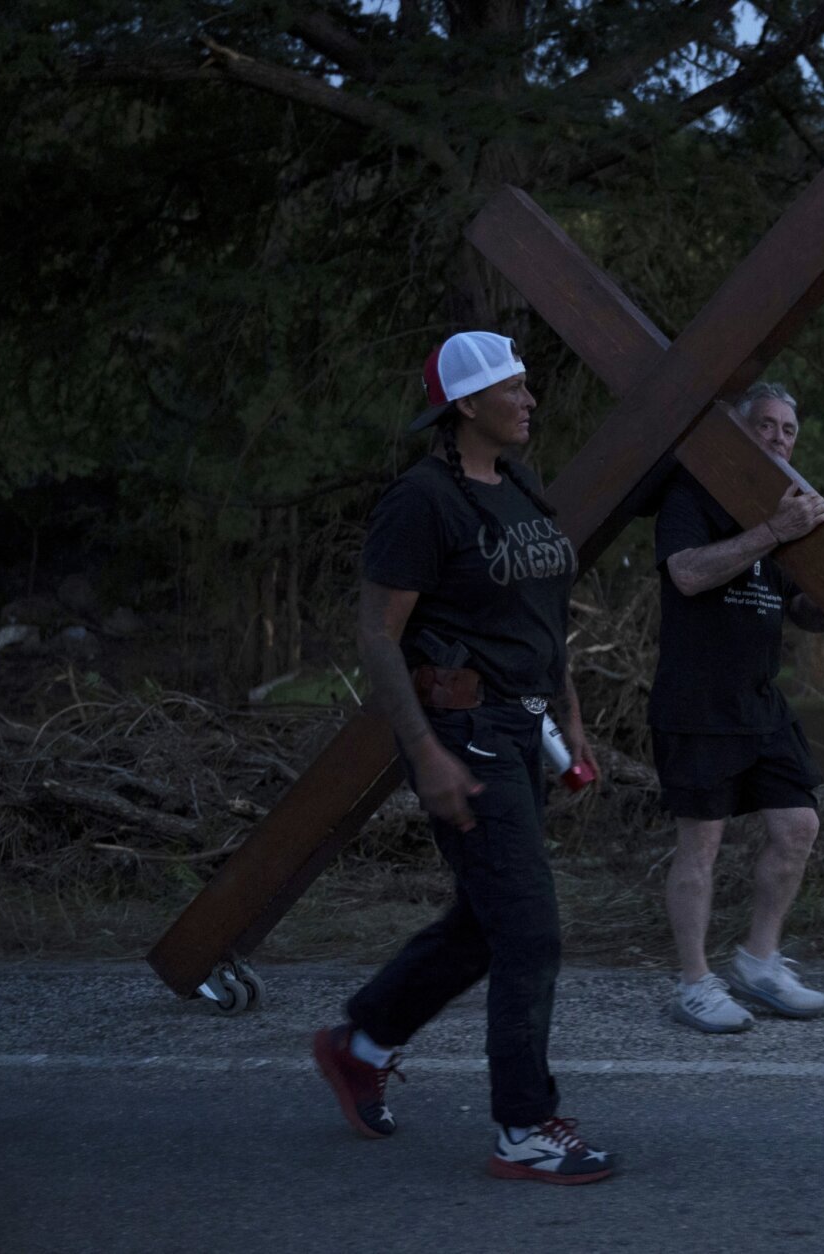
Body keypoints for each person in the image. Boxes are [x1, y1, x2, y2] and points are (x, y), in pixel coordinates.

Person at [310, 330, 614, 1185]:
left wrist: (568, 711)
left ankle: (360, 1044)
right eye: (513, 388)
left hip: (524, 727)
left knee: (487, 923)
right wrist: (425, 752)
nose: (529, 399)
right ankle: (524, 1128)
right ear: (467, 405)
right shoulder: (422, 501)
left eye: (525, 384)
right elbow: (378, 635)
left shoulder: (518, 484)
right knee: (530, 930)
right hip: (462, 736)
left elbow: (542, 615)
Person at [651, 381, 824, 1033]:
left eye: (789, 430)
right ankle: (694, 984)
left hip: (760, 701)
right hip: (697, 702)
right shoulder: (693, 496)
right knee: (701, 843)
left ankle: (759, 963)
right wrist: (773, 531)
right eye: (766, 425)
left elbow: (795, 606)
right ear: (739, 430)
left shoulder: (782, 513)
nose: (779, 438)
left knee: (798, 826)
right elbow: (687, 573)